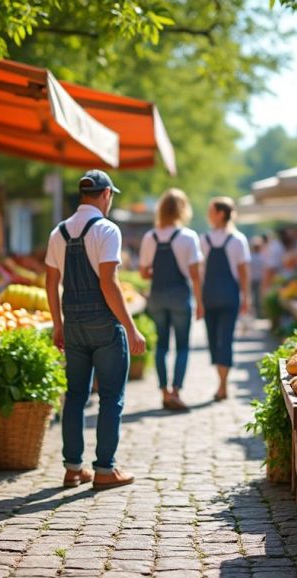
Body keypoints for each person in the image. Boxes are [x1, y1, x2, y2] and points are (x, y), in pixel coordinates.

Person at [45, 170, 145, 491]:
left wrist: (58, 324)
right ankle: (104, 469)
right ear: (106, 194)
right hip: (104, 324)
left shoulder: (58, 232)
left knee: (75, 397)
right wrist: (131, 327)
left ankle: (73, 469)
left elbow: (51, 282)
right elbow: (108, 283)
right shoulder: (106, 230)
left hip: (73, 324)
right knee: (111, 397)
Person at [138, 188, 204, 411]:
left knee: (162, 346)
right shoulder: (188, 236)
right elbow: (195, 275)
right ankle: (176, 391)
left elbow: (143, 273)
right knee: (182, 347)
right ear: (183, 210)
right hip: (180, 296)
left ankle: (164, 392)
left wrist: (158, 273)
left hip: (157, 296)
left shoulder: (150, 237)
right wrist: (200, 303)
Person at [201, 197, 251, 402]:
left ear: (221, 214)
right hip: (229, 295)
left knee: (215, 339)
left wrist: (199, 299)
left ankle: (222, 384)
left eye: (211, 211)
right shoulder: (237, 239)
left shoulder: (205, 239)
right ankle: (222, 383)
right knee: (224, 339)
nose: (208, 215)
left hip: (210, 295)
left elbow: (200, 272)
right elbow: (243, 272)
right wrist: (246, 297)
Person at [249, 235, 265, 318]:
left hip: (253, 279)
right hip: (259, 279)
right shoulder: (262, 257)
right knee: (258, 297)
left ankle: (255, 313)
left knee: (254, 296)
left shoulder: (251, 257)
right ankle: (258, 313)